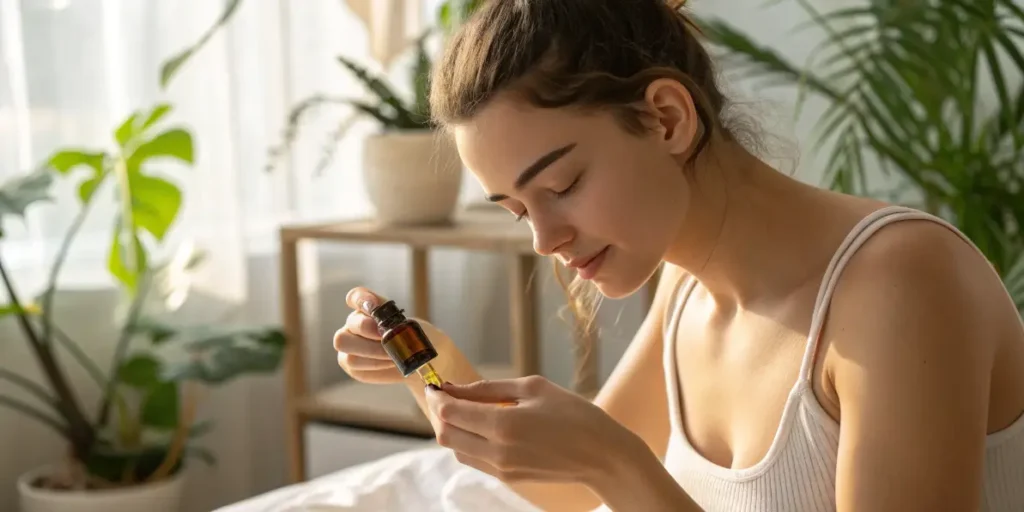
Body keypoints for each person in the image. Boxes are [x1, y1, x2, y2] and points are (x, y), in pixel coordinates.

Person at [332, 0, 1024, 510]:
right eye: (516, 209)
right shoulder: (689, 292)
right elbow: (566, 486)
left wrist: (621, 468)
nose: (544, 239)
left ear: (668, 118)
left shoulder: (900, 283)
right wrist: (426, 365)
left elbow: (605, 473)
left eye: (562, 185)